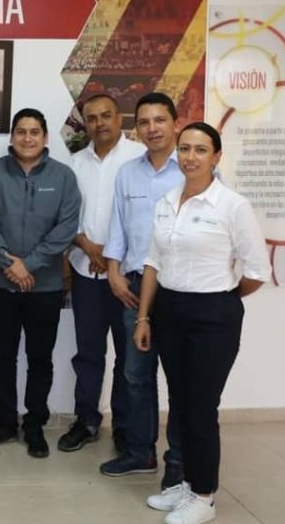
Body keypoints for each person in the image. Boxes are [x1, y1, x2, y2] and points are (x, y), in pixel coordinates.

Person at [134, 123, 270, 524]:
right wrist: (144, 316)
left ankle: (204, 494)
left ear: (217, 157)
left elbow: (257, 272)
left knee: (201, 406)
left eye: (200, 149)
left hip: (213, 316)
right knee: (180, 402)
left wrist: (222, 298)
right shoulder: (167, 200)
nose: (190, 156)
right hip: (169, 311)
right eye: (185, 148)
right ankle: (185, 481)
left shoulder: (232, 206)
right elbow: (153, 262)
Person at [0, 108, 80, 458]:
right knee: (1, 359)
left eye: (34, 131)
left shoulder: (63, 177)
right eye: (21, 131)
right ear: (12, 136)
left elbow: (65, 228)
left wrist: (28, 264)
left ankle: (34, 423)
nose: (27, 138)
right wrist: (8, 264)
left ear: (45, 137)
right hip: (0, 286)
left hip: (44, 287)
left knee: (40, 359)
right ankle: (4, 422)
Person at [100, 92, 185, 486]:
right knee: (136, 373)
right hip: (133, 286)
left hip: (180, 288)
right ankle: (140, 452)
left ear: (174, 123)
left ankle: (181, 462)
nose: (152, 128)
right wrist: (114, 272)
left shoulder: (193, 171)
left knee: (182, 378)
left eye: (160, 120)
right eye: (145, 122)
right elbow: (119, 226)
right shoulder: (128, 173)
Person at [58, 95, 145, 453]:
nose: (99, 124)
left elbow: (141, 219)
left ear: (120, 117)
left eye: (106, 116)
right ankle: (87, 420)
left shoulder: (139, 159)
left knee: (129, 356)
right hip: (84, 270)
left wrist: (109, 256)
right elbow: (67, 215)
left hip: (127, 277)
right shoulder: (75, 163)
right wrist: (87, 246)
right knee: (88, 353)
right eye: (92, 118)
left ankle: (124, 425)